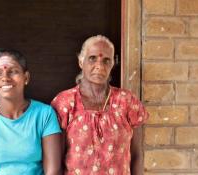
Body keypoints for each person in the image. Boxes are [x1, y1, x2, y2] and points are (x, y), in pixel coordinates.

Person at [51, 35, 149, 175]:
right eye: (92, 58)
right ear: (80, 62)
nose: (99, 66)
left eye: (106, 60)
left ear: (112, 65)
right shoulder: (65, 102)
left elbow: (137, 155)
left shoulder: (127, 101)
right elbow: (56, 161)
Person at [0, 48, 62, 175]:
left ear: (26, 77)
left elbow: (53, 171)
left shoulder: (45, 114)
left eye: (13, 71)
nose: (5, 78)